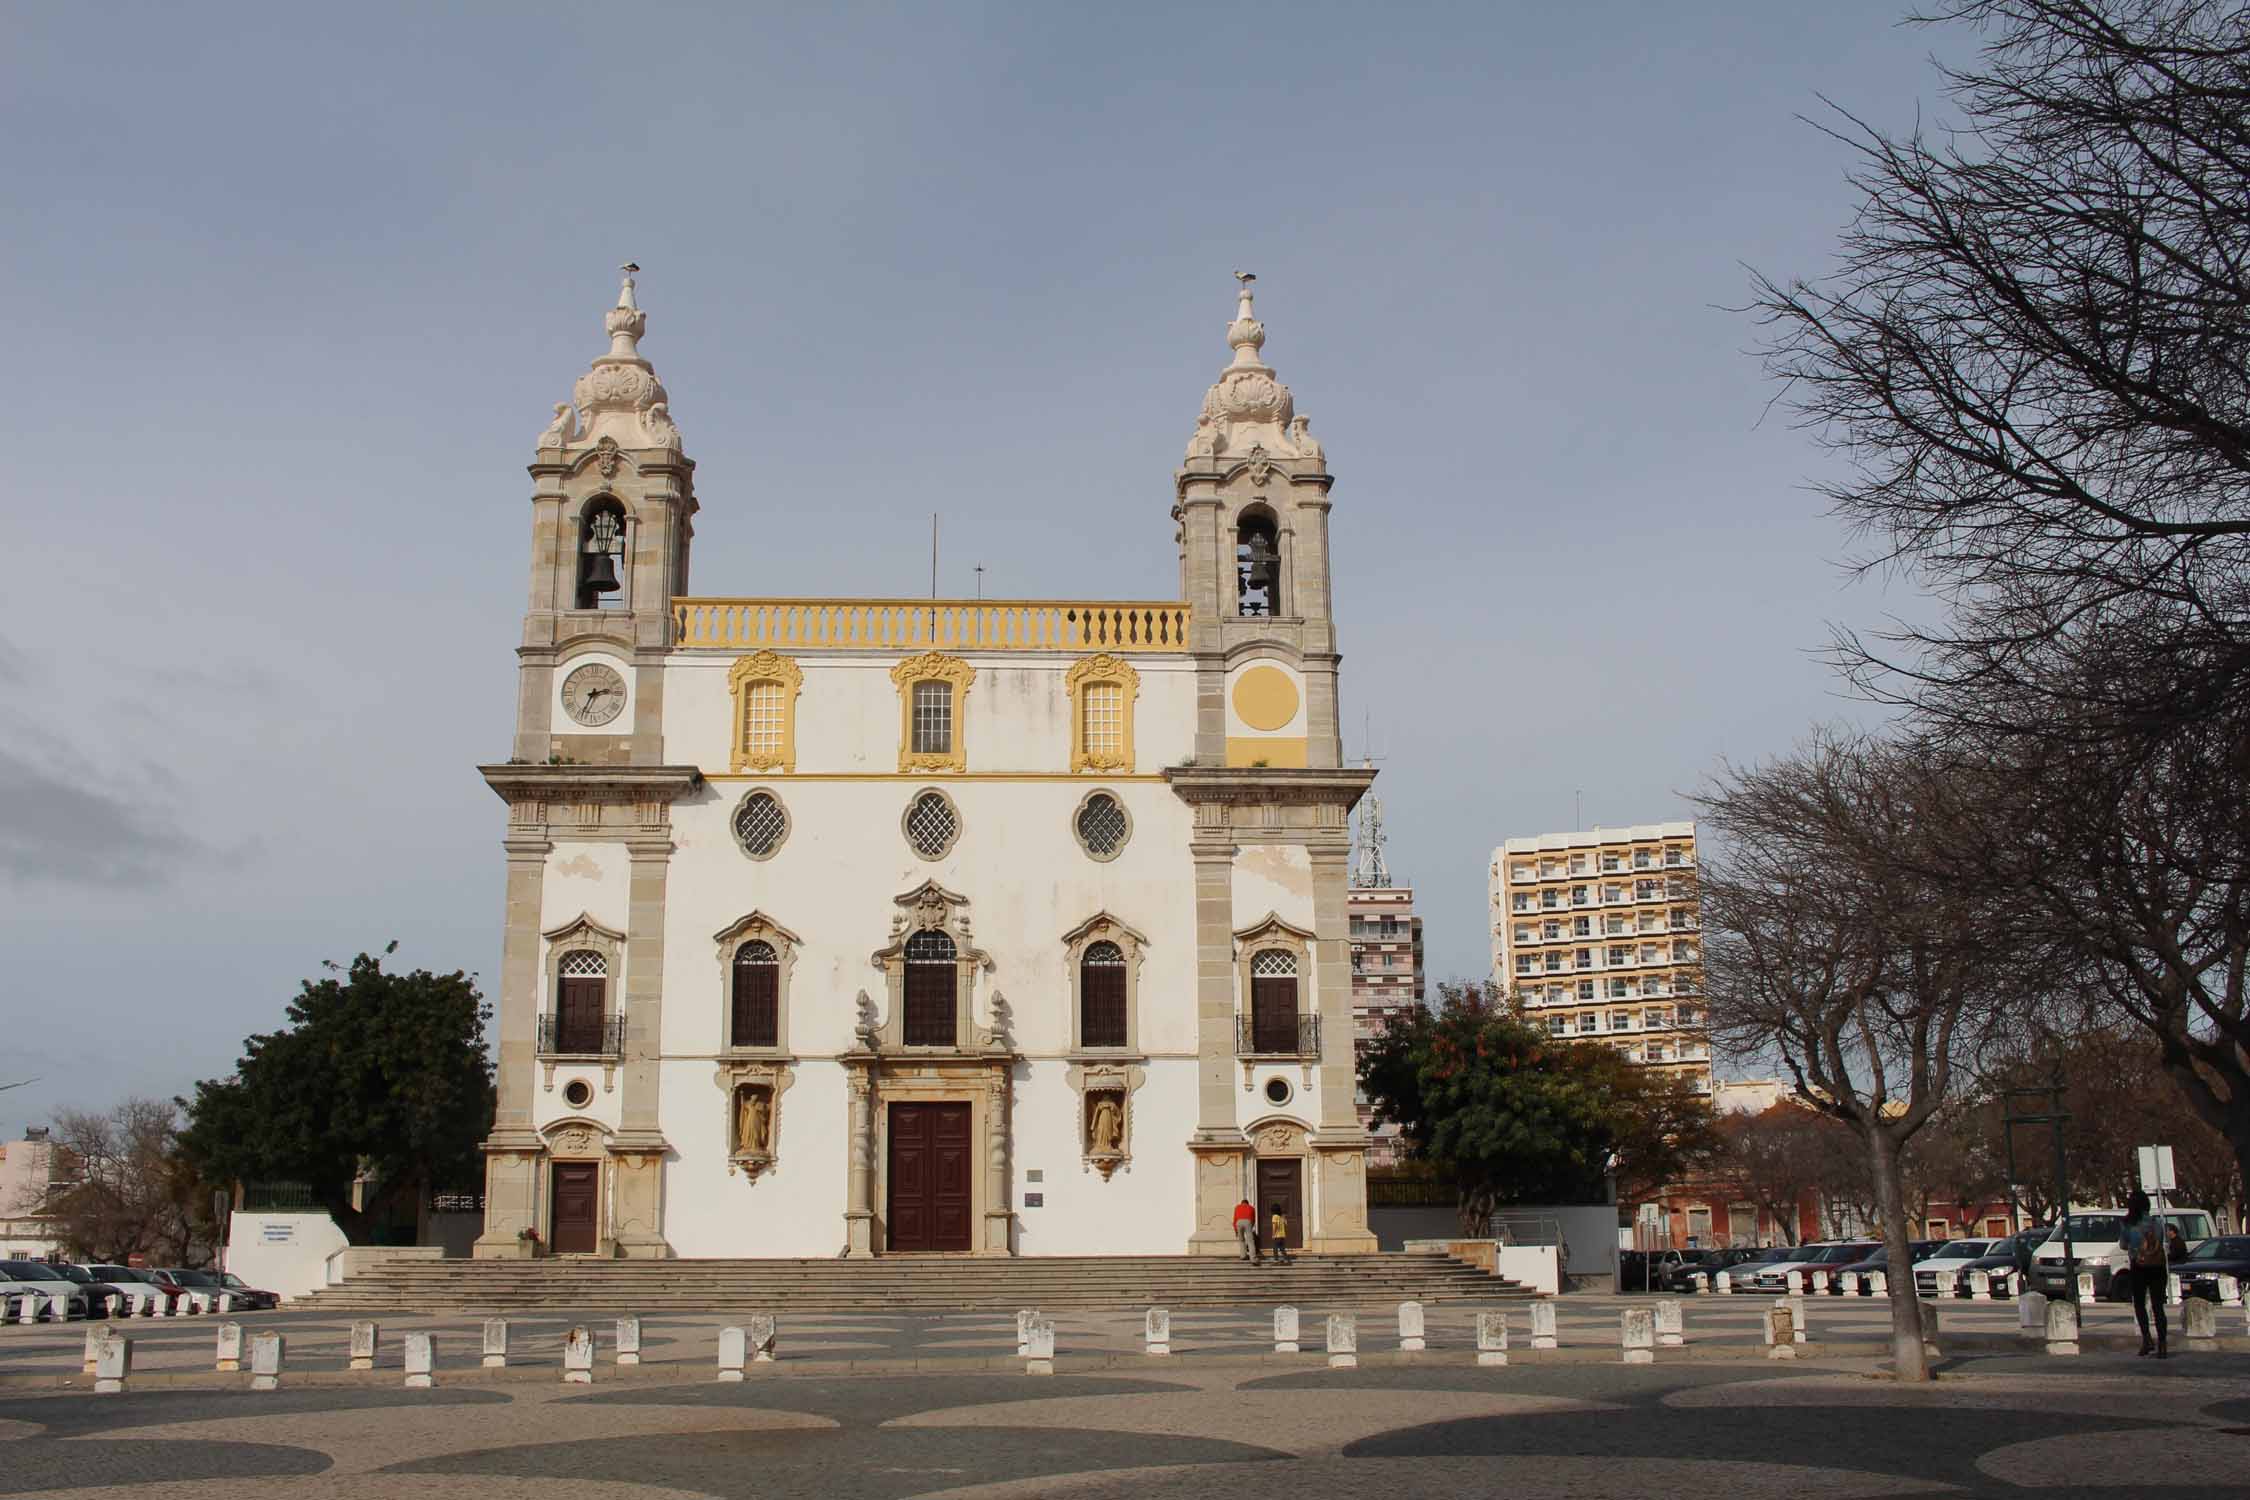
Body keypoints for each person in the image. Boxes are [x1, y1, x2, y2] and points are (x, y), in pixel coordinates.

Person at [2118, 1190, 2169, 1358]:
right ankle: (2162, 1343)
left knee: (2139, 1304)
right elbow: (2160, 1241)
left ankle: (2147, 1339)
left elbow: (2123, 1245)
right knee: (2158, 1305)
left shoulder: (2128, 1224)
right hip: (2158, 1267)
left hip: (2139, 1266)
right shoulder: (2157, 1222)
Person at [1233, 1197, 1259, 1263]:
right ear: (1247, 1203)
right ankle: (1253, 1259)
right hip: (1248, 1222)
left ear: (1241, 1203)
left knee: (1241, 1240)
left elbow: (1235, 1219)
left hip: (1238, 1222)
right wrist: (1251, 1226)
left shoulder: (1237, 1207)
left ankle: (1243, 1256)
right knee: (1250, 1241)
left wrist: (1236, 1230)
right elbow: (1253, 1219)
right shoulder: (1251, 1208)